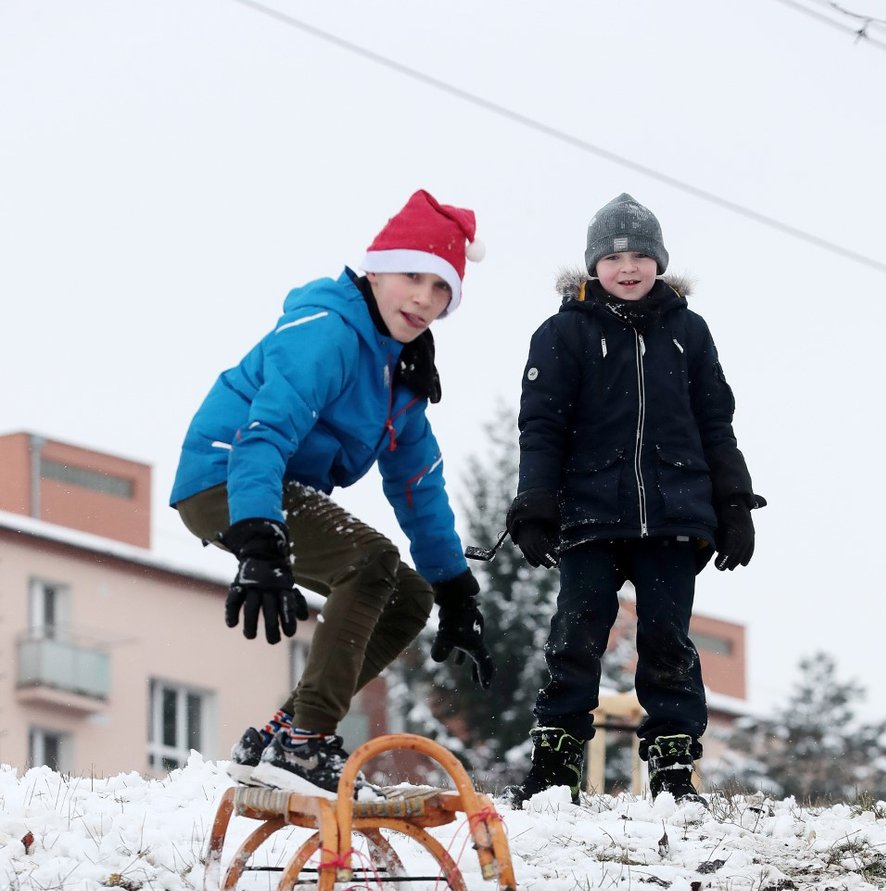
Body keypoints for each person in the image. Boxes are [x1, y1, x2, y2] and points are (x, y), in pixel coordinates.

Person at [170, 190, 494, 795]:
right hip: (228, 477)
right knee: (370, 562)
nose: (424, 297)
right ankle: (306, 745)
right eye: (412, 277)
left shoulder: (401, 371)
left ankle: (286, 731)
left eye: (442, 288)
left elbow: (418, 481)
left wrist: (455, 589)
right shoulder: (329, 331)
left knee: (407, 595)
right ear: (374, 269)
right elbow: (263, 435)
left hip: (271, 488)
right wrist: (260, 539)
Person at [504, 192, 764, 808]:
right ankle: (553, 766)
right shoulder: (563, 333)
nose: (628, 267)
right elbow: (540, 425)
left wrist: (732, 502)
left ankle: (673, 768)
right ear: (593, 264)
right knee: (577, 630)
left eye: (641, 255)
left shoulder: (688, 333)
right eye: (615, 256)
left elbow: (715, 422)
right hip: (590, 509)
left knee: (668, 637)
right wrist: (535, 501)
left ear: (660, 263)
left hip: (674, 509)